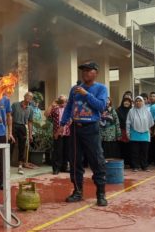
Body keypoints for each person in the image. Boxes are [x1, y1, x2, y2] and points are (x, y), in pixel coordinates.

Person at [60, 61, 108, 206]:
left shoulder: (101, 88)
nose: (85, 73)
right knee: (74, 160)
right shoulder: (75, 89)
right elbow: (69, 107)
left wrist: (87, 94)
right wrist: (62, 124)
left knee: (97, 160)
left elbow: (101, 106)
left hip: (91, 128)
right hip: (75, 128)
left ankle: (101, 193)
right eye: (83, 71)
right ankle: (77, 191)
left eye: (88, 70)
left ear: (96, 73)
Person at [126, 96, 154, 172]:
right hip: (134, 133)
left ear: (143, 102)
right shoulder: (131, 111)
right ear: (134, 102)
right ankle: (135, 166)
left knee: (144, 152)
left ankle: (144, 166)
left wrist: (148, 129)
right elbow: (128, 123)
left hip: (145, 134)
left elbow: (151, 122)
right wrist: (128, 133)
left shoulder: (147, 111)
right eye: (136, 101)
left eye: (140, 101)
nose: (138, 102)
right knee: (135, 152)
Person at [45, 95, 71, 175]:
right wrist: (52, 104)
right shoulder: (55, 108)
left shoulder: (69, 109)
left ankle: (64, 167)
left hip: (67, 133)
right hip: (57, 133)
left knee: (66, 151)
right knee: (57, 152)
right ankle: (56, 169)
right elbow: (46, 114)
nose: (62, 103)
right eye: (60, 101)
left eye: (64, 101)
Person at [11, 92, 34, 175]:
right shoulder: (15, 105)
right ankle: (6, 164)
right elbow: (9, 116)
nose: (29, 98)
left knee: (22, 146)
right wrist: (8, 130)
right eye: (27, 96)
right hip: (14, 125)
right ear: (24, 96)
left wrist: (30, 134)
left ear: (31, 99)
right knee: (11, 145)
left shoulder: (30, 109)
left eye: (31, 97)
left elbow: (30, 122)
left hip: (23, 127)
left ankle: (20, 166)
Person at [116, 97, 133, 168]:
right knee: (122, 148)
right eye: (125, 101)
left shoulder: (132, 110)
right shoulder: (118, 110)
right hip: (122, 131)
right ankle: (123, 163)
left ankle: (129, 163)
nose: (127, 103)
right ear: (122, 102)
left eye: (128, 101)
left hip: (130, 131)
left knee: (130, 148)